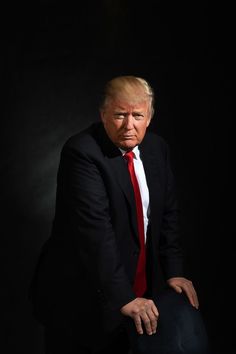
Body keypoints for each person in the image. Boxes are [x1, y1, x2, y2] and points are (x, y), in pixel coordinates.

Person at [30, 76, 210, 354]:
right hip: (81, 297)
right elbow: (95, 233)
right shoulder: (82, 152)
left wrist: (173, 272)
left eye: (137, 115)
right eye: (119, 115)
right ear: (103, 115)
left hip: (135, 290)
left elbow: (168, 215)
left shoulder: (157, 149)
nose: (129, 125)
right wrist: (123, 297)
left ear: (149, 117)